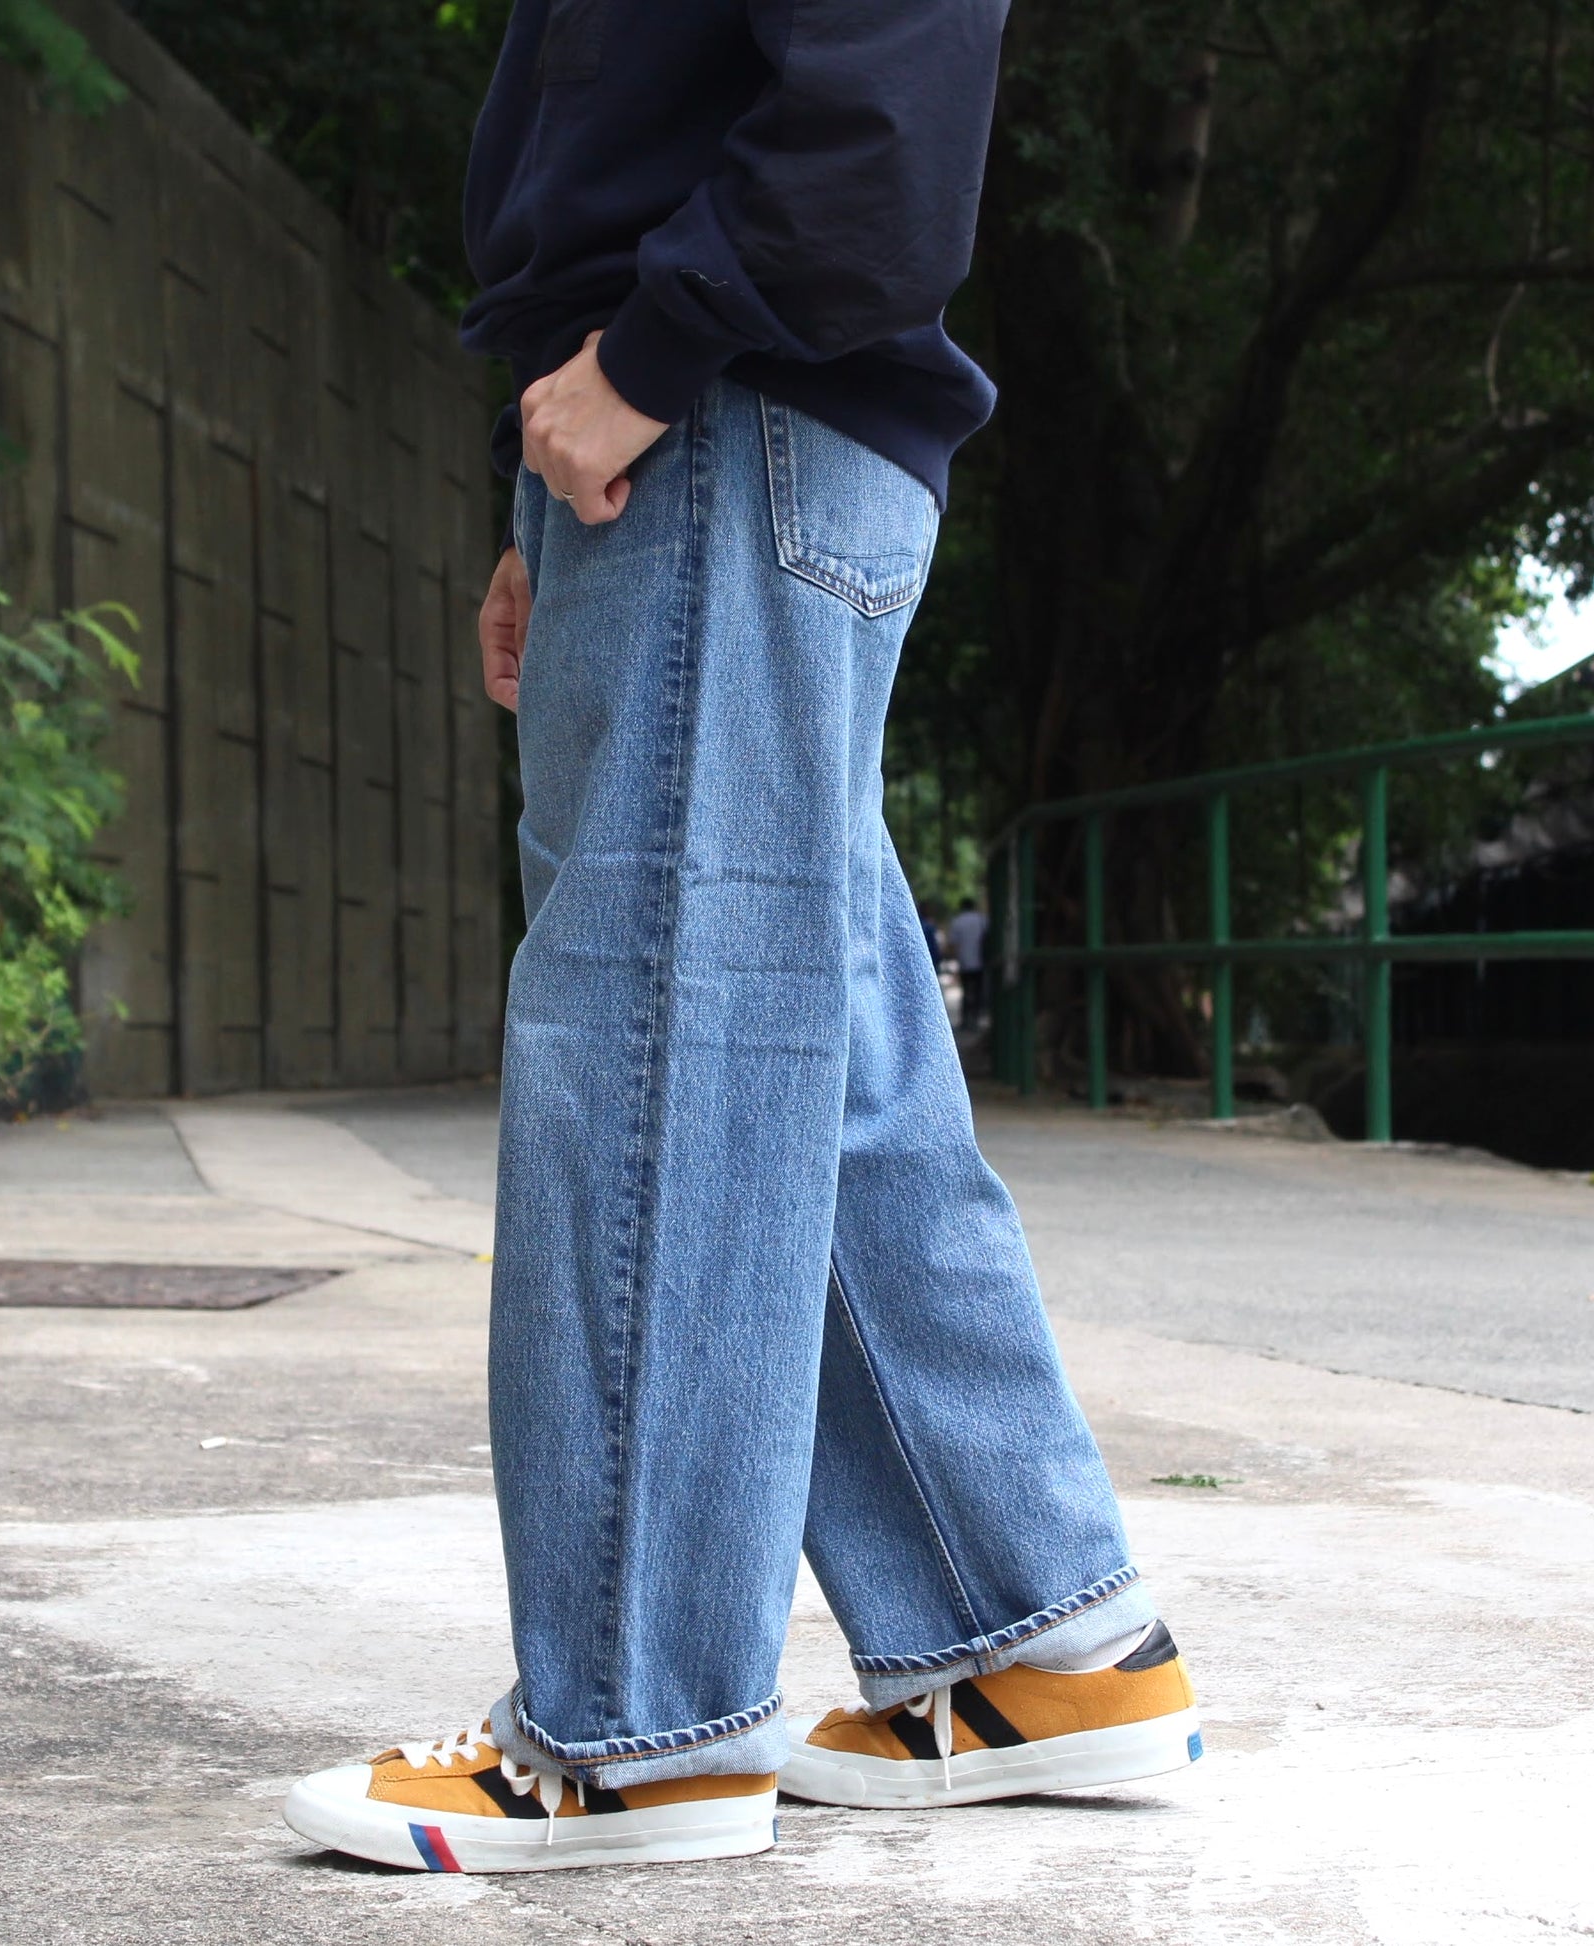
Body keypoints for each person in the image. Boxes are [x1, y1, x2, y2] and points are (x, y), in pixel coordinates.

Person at [284, 0, 1198, 1876]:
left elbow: (882, 100)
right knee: (820, 1076)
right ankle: (1033, 1634)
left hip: (719, 420)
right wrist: (550, 479)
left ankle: (636, 1730)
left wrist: (646, 357)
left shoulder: (698, 359)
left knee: (659, 1072)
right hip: (690, 440)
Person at [947, 897, 989, 1031]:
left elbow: (953, 944)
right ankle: (975, 1018)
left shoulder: (957, 922)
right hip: (980, 961)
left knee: (965, 991)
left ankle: (966, 1019)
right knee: (978, 991)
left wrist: (955, 961)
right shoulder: (981, 920)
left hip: (964, 962)